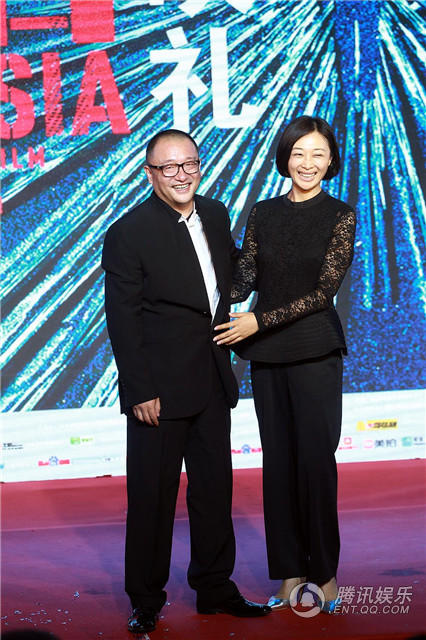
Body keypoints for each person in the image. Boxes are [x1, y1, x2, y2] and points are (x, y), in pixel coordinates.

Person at [101, 129, 271, 634]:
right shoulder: (128, 232)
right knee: (152, 499)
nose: (181, 175)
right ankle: (145, 599)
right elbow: (123, 320)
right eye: (169, 167)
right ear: (150, 173)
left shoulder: (216, 214)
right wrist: (139, 390)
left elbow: (232, 279)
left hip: (212, 380)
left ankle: (215, 587)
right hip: (158, 391)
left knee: (214, 492)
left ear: (200, 166)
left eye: (189, 164)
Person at [214, 115, 356, 614]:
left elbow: (323, 293)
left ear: (331, 161)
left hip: (315, 350)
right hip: (268, 356)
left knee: (315, 463)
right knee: (277, 464)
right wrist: (206, 251)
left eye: (318, 154)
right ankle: (291, 572)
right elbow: (243, 280)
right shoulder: (263, 212)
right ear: (285, 158)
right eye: (299, 153)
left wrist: (258, 320)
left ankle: (326, 576)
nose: (307, 163)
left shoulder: (340, 215)